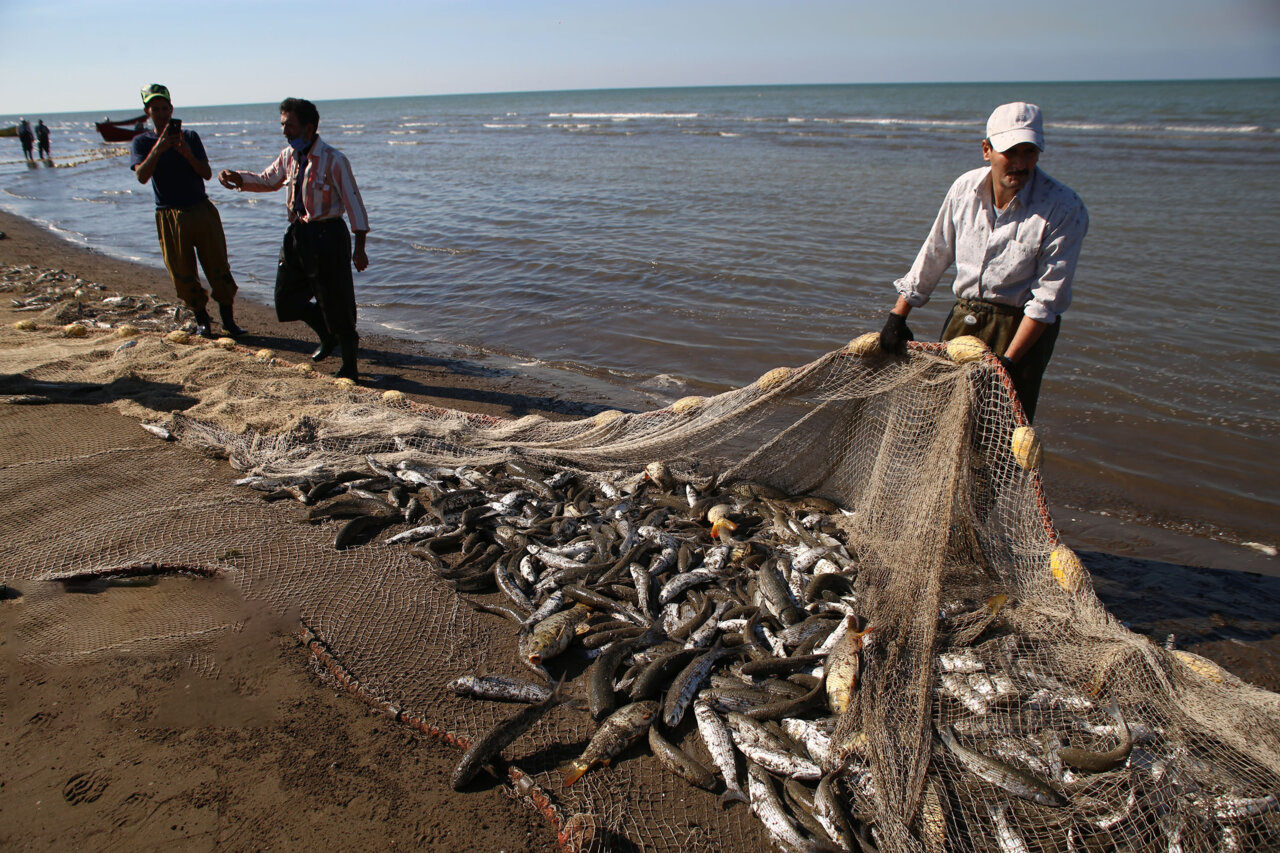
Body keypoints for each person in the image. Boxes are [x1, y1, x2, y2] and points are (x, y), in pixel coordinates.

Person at [878, 102, 1088, 422]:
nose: (1020, 163)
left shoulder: (1063, 207)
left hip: (1021, 328)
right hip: (966, 317)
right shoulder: (964, 189)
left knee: (998, 428)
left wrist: (1011, 363)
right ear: (987, 150)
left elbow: (1047, 300)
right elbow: (936, 251)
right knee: (943, 414)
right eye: (1010, 152)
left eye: (1029, 152)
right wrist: (898, 315)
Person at [218, 98, 369, 381]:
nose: (285, 131)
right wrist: (237, 177)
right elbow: (268, 180)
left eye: (289, 125)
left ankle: (350, 365)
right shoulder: (289, 155)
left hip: (328, 235)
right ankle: (327, 335)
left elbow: (355, 205)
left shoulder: (334, 160)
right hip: (298, 233)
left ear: (309, 128)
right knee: (285, 300)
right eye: (283, 125)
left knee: (336, 302)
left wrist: (360, 248)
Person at [130, 83, 246, 338]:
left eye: (164, 108)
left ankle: (228, 321)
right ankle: (202, 319)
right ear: (147, 112)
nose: (161, 113)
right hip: (169, 214)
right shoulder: (142, 141)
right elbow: (141, 176)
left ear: (171, 109)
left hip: (201, 210)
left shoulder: (190, 137)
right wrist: (159, 148)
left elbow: (206, 173)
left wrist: (186, 154)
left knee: (218, 267)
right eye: (155, 109)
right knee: (182, 273)